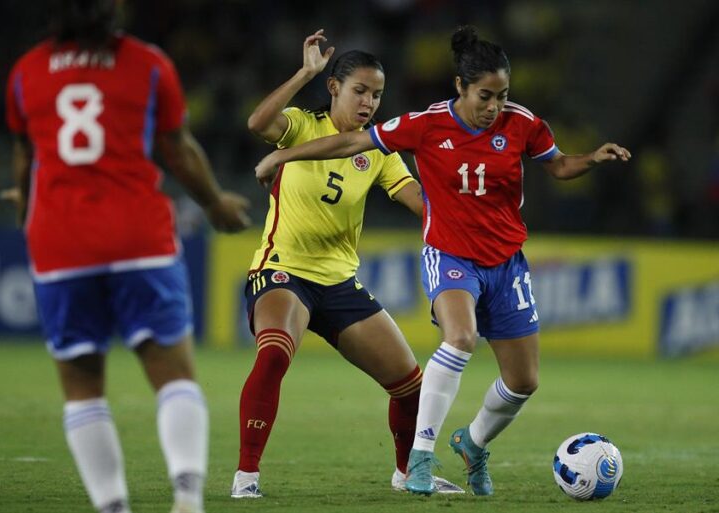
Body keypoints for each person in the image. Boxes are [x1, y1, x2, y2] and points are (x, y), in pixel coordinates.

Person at [254, 25, 631, 496]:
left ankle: (472, 444)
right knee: (460, 337)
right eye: (485, 96)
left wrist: (591, 157)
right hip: (449, 255)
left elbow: (558, 165)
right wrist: (281, 158)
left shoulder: (522, 123)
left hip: (506, 262)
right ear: (461, 87)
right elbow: (349, 142)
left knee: (523, 381)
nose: (494, 106)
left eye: (502, 95)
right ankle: (420, 458)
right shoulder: (424, 124)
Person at [3, 2, 251, 513]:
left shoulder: (25, 71)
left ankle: (112, 506)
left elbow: (27, 158)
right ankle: (186, 495)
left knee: (83, 388)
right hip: (137, 237)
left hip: (61, 241)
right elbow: (177, 148)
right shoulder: (147, 63)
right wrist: (216, 203)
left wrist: (26, 205)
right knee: (174, 376)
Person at [233, 29, 463, 498]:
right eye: (360, 90)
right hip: (283, 270)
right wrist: (305, 72)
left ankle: (405, 474)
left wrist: (462, 197)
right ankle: (246, 478)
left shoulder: (378, 149)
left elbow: (421, 203)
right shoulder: (300, 125)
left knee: (410, 384)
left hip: (338, 283)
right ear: (334, 87)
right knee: (275, 353)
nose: (369, 102)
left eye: (377, 94)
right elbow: (259, 123)